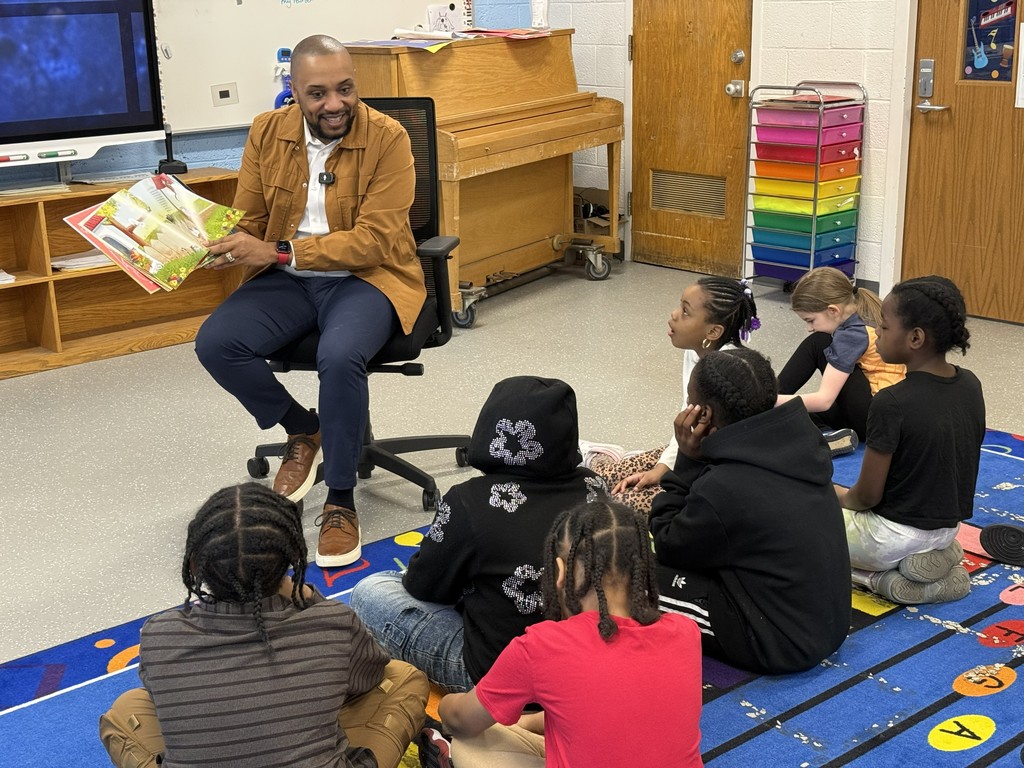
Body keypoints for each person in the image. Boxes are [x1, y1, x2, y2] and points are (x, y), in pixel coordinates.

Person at [194, 35, 426, 567]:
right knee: (217, 343)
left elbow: (376, 239)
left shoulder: (388, 137)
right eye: (317, 93)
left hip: (368, 275)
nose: (335, 104)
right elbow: (249, 220)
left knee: (340, 355)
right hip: (290, 276)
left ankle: (341, 501)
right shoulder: (266, 131)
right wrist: (203, 240)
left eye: (345, 89)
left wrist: (277, 250)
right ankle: (304, 428)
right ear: (292, 91)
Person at [98, 483, 429, 768]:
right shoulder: (332, 623)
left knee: (126, 709)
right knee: (404, 678)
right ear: (292, 560)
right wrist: (307, 600)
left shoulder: (158, 634)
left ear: (195, 566)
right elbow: (368, 677)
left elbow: (164, 697)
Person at [350, 376, 605, 694]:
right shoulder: (595, 486)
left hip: (500, 678)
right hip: (584, 665)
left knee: (372, 589)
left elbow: (423, 586)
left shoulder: (469, 500)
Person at [432, 500, 704, 768]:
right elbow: (613, 711)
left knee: (469, 744)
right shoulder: (686, 631)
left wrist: (445, 706)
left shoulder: (542, 646)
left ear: (560, 572)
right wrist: (526, 723)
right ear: (641, 569)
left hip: (474, 718)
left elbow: (461, 721)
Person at [650, 348, 851, 675]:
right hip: (827, 624)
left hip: (777, 643)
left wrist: (687, 462)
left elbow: (669, 542)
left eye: (690, 402)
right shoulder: (805, 442)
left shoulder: (725, 486)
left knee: (629, 578)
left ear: (706, 414)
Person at [835, 275, 985, 605]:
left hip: (889, 539)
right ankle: (940, 559)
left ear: (915, 337)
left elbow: (867, 496)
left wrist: (833, 497)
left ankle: (879, 579)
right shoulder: (971, 384)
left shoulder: (891, 402)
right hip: (946, 530)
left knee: (799, 521)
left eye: (885, 328)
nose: (876, 337)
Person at [587, 276, 760, 515]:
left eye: (686, 311)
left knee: (620, 504)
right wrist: (661, 468)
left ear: (713, 331)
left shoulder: (727, 373)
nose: (674, 313)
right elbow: (686, 417)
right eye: (680, 305)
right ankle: (596, 455)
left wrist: (672, 474)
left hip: (715, 470)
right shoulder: (697, 350)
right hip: (691, 448)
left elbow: (720, 462)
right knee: (611, 476)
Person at [776, 266, 906, 453]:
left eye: (810, 320)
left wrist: (770, 400)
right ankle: (829, 436)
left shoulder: (852, 334)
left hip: (876, 420)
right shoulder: (862, 315)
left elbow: (824, 401)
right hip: (881, 416)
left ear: (833, 310)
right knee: (797, 412)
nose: (809, 327)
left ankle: (762, 402)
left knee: (818, 341)